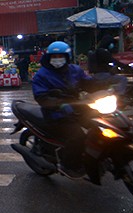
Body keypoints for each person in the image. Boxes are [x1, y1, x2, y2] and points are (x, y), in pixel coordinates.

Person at [31, 41, 98, 179]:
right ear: (49, 57)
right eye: (54, 56)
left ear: (67, 57)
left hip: (78, 108)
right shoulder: (41, 75)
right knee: (77, 136)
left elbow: (89, 83)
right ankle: (69, 165)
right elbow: (42, 97)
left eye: (60, 56)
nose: (57, 59)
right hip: (56, 114)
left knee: (100, 126)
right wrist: (59, 105)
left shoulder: (75, 70)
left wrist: (109, 84)